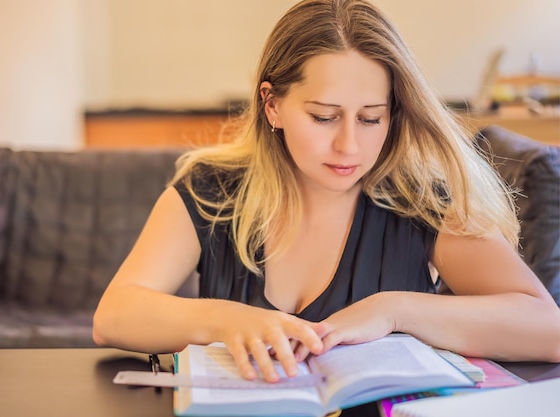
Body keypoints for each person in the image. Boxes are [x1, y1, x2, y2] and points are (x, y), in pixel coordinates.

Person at [93, 0, 560, 383]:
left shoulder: (423, 203)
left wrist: (394, 309)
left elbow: (549, 330)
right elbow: (113, 315)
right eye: (323, 116)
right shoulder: (209, 189)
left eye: (371, 117)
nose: (349, 145)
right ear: (272, 105)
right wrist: (229, 320)